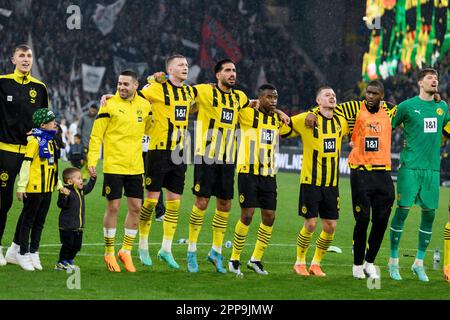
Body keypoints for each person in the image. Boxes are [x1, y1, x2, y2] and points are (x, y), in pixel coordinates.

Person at [305, 80, 396, 279]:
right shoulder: (354, 107)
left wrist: (435, 99)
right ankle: (356, 265)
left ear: (382, 95)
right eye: (368, 93)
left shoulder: (391, 111)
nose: (369, 96)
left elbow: (412, 112)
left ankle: (369, 262)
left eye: (374, 93)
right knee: (362, 220)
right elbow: (327, 106)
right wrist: (312, 112)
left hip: (383, 173)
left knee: (381, 221)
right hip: (361, 173)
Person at [388, 68, 449, 282]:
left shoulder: (442, 107)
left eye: (437, 79)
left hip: (432, 170)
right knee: (402, 211)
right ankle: (393, 262)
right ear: (420, 83)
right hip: (410, 168)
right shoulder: (406, 106)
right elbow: (388, 127)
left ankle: (418, 263)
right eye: (430, 78)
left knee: (430, 215)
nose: (435, 81)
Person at [88, 70, 151, 273]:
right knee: (113, 207)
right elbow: (96, 136)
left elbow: (149, 128)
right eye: (119, 84)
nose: (122, 87)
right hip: (114, 165)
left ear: (135, 86)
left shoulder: (145, 106)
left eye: (126, 84)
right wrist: (92, 160)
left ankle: (126, 251)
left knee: (136, 208)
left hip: (135, 166)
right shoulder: (109, 105)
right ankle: (108, 251)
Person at [136, 54, 196, 269]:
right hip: (158, 151)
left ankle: (166, 249)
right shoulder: (156, 88)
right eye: (181, 64)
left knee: (174, 204)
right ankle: (142, 245)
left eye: (187, 64)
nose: (185, 67)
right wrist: (152, 78)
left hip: (180, 152)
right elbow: (136, 95)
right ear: (169, 70)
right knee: (151, 201)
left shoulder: (190, 92)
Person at [285, 86, 349, 277]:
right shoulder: (306, 119)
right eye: (327, 95)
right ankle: (299, 262)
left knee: (330, 226)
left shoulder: (341, 121)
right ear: (318, 101)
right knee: (311, 224)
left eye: (334, 95)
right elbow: (285, 126)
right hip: (310, 181)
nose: (332, 97)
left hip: (331, 183)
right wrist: (309, 113)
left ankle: (316, 263)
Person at [228, 84, 286, 276]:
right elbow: (230, 106)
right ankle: (234, 258)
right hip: (247, 171)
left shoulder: (276, 120)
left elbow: (291, 126)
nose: (273, 100)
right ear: (260, 98)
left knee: (269, 216)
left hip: (269, 174)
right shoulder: (246, 114)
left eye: (275, 97)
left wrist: (279, 111)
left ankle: (256, 259)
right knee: (247, 215)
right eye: (269, 97)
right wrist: (249, 103)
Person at [1, 44, 49, 266]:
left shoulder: (40, 88)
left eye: (29, 55)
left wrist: (38, 133)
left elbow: (45, 121)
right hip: (5, 151)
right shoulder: (2, 83)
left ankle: (15, 248)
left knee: (32, 203)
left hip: (31, 153)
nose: (26, 59)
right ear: (13, 59)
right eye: (21, 55)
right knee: (4, 202)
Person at [13, 109, 67, 271]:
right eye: (52, 121)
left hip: (47, 189)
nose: (55, 123)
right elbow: (26, 164)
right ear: (43, 125)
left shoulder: (50, 141)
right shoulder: (34, 141)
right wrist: (21, 186)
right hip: (34, 189)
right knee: (28, 222)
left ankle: (33, 251)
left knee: (40, 222)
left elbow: (52, 167)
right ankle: (22, 253)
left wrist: (58, 185)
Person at [55, 167, 96, 270]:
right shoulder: (65, 191)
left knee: (77, 246)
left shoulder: (80, 191)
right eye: (79, 178)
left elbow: (89, 188)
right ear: (69, 181)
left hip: (78, 226)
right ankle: (61, 263)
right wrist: (64, 196)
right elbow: (61, 205)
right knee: (68, 245)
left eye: (81, 178)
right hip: (67, 226)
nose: (81, 180)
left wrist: (93, 178)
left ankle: (69, 261)